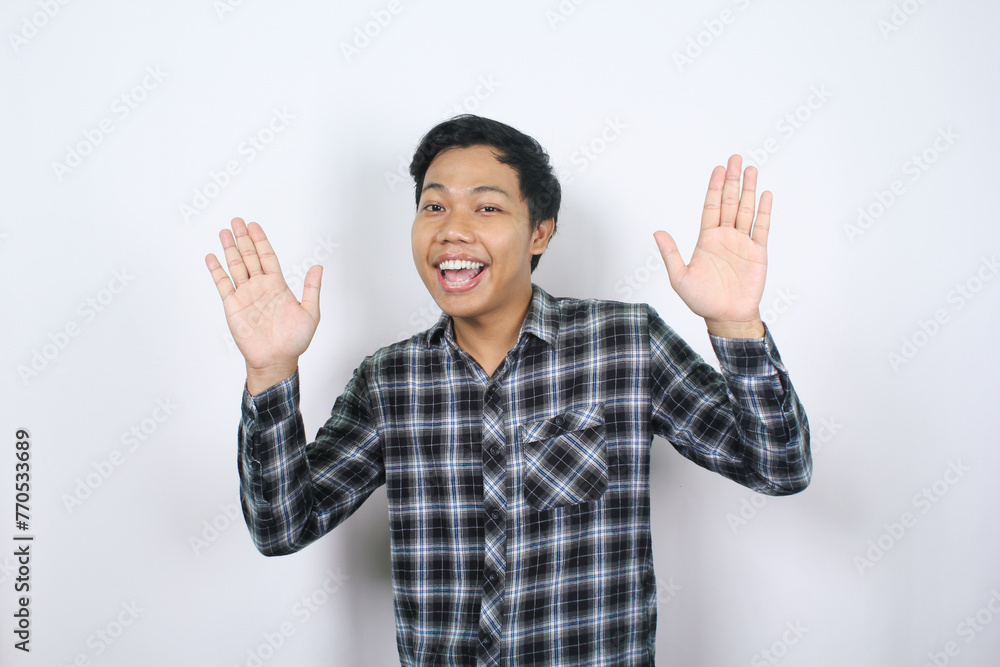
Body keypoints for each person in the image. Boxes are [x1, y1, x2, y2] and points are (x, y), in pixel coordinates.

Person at [204, 114, 811, 666]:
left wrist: (735, 326)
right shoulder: (389, 381)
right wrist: (271, 370)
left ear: (540, 232)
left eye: (487, 209)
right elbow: (282, 527)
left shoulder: (626, 344)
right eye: (433, 208)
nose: (452, 231)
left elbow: (780, 467)